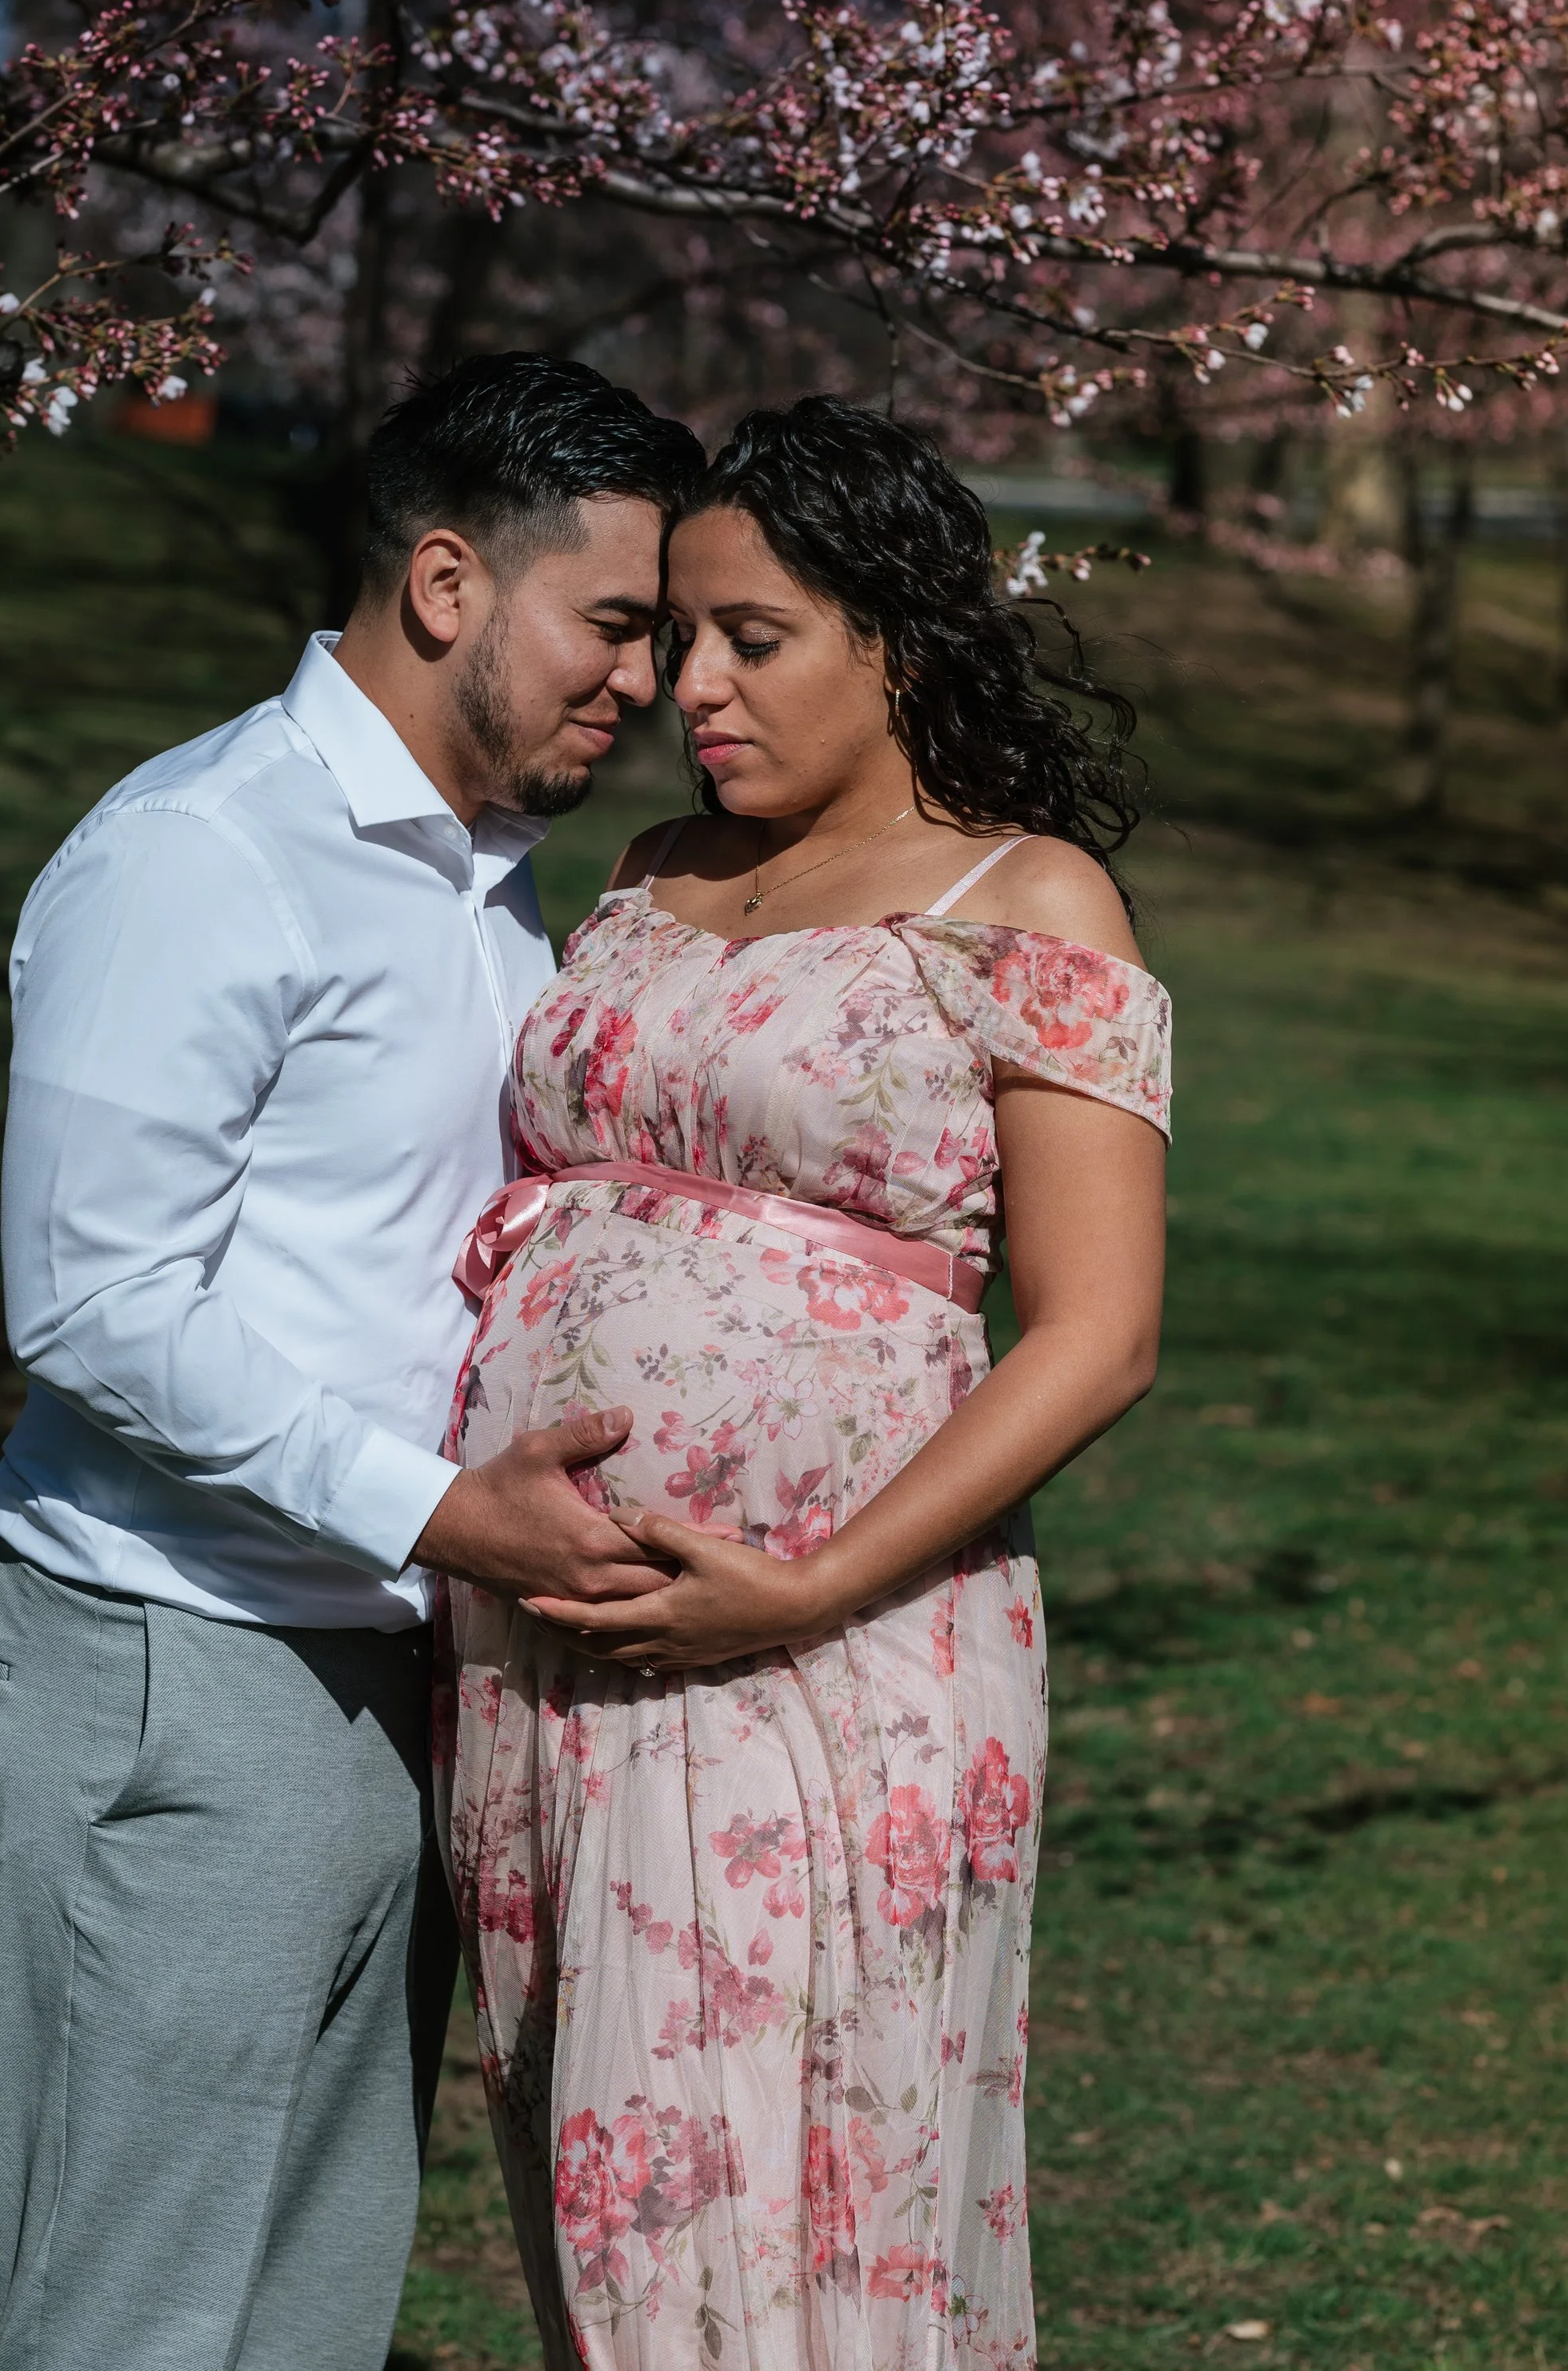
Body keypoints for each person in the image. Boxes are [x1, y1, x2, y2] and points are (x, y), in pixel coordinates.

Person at [0, 353, 703, 2371]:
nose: (642, 681)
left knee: (304, 2308)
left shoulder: (491, 876)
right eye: (611, 624)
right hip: (184, 1658)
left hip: (395, 1670)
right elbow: (97, 1300)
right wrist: (450, 1508)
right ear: (447, 582)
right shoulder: (205, 849)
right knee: (137, 2317)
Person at [437, 395, 1172, 2369]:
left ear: (895, 641)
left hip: (835, 1657)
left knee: (810, 2193)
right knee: (616, 2201)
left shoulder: (1023, 906)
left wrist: (814, 1578)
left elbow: (1096, 1332)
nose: (686, 686)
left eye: (748, 638)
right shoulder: (649, 864)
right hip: (549, 1662)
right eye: (673, 637)